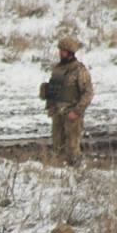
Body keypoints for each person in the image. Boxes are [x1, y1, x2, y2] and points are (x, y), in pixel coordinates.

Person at [39, 36, 94, 166]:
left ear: (69, 53)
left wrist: (77, 111)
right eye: (60, 50)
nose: (60, 53)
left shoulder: (79, 70)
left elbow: (88, 92)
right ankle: (60, 174)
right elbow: (55, 90)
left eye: (63, 51)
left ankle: (77, 173)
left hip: (72, 114)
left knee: (72, 148)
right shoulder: (58, 69)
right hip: (57, 113)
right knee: (57, 146)